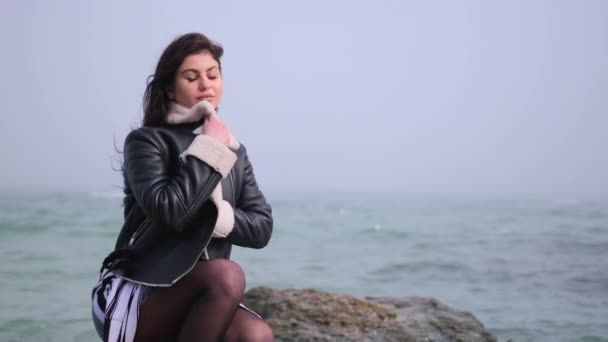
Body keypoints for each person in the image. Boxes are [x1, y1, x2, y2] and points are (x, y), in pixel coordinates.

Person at [91, 32, 274, 342]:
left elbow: (261, 227)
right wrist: (209, 150)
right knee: (227, 274)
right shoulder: (147, 142)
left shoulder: (234, 151)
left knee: (255, 334)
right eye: (192, 77)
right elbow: (170, 212)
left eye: (212, 75)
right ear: (170, 89)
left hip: (203, 291)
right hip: (139, 289)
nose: (206, 84)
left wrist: (215, 215)